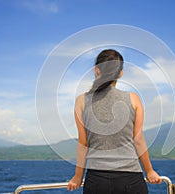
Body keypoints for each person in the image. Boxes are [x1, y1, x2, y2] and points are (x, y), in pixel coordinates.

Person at [67, 49, 162, 193]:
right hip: (130, 179)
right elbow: (138, 139)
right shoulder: (133, 99)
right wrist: (149, 171)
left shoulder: (81, 101)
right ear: (120, 73)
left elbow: (83, 143)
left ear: (96, 70)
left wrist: (77, 177)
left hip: (96, 180)